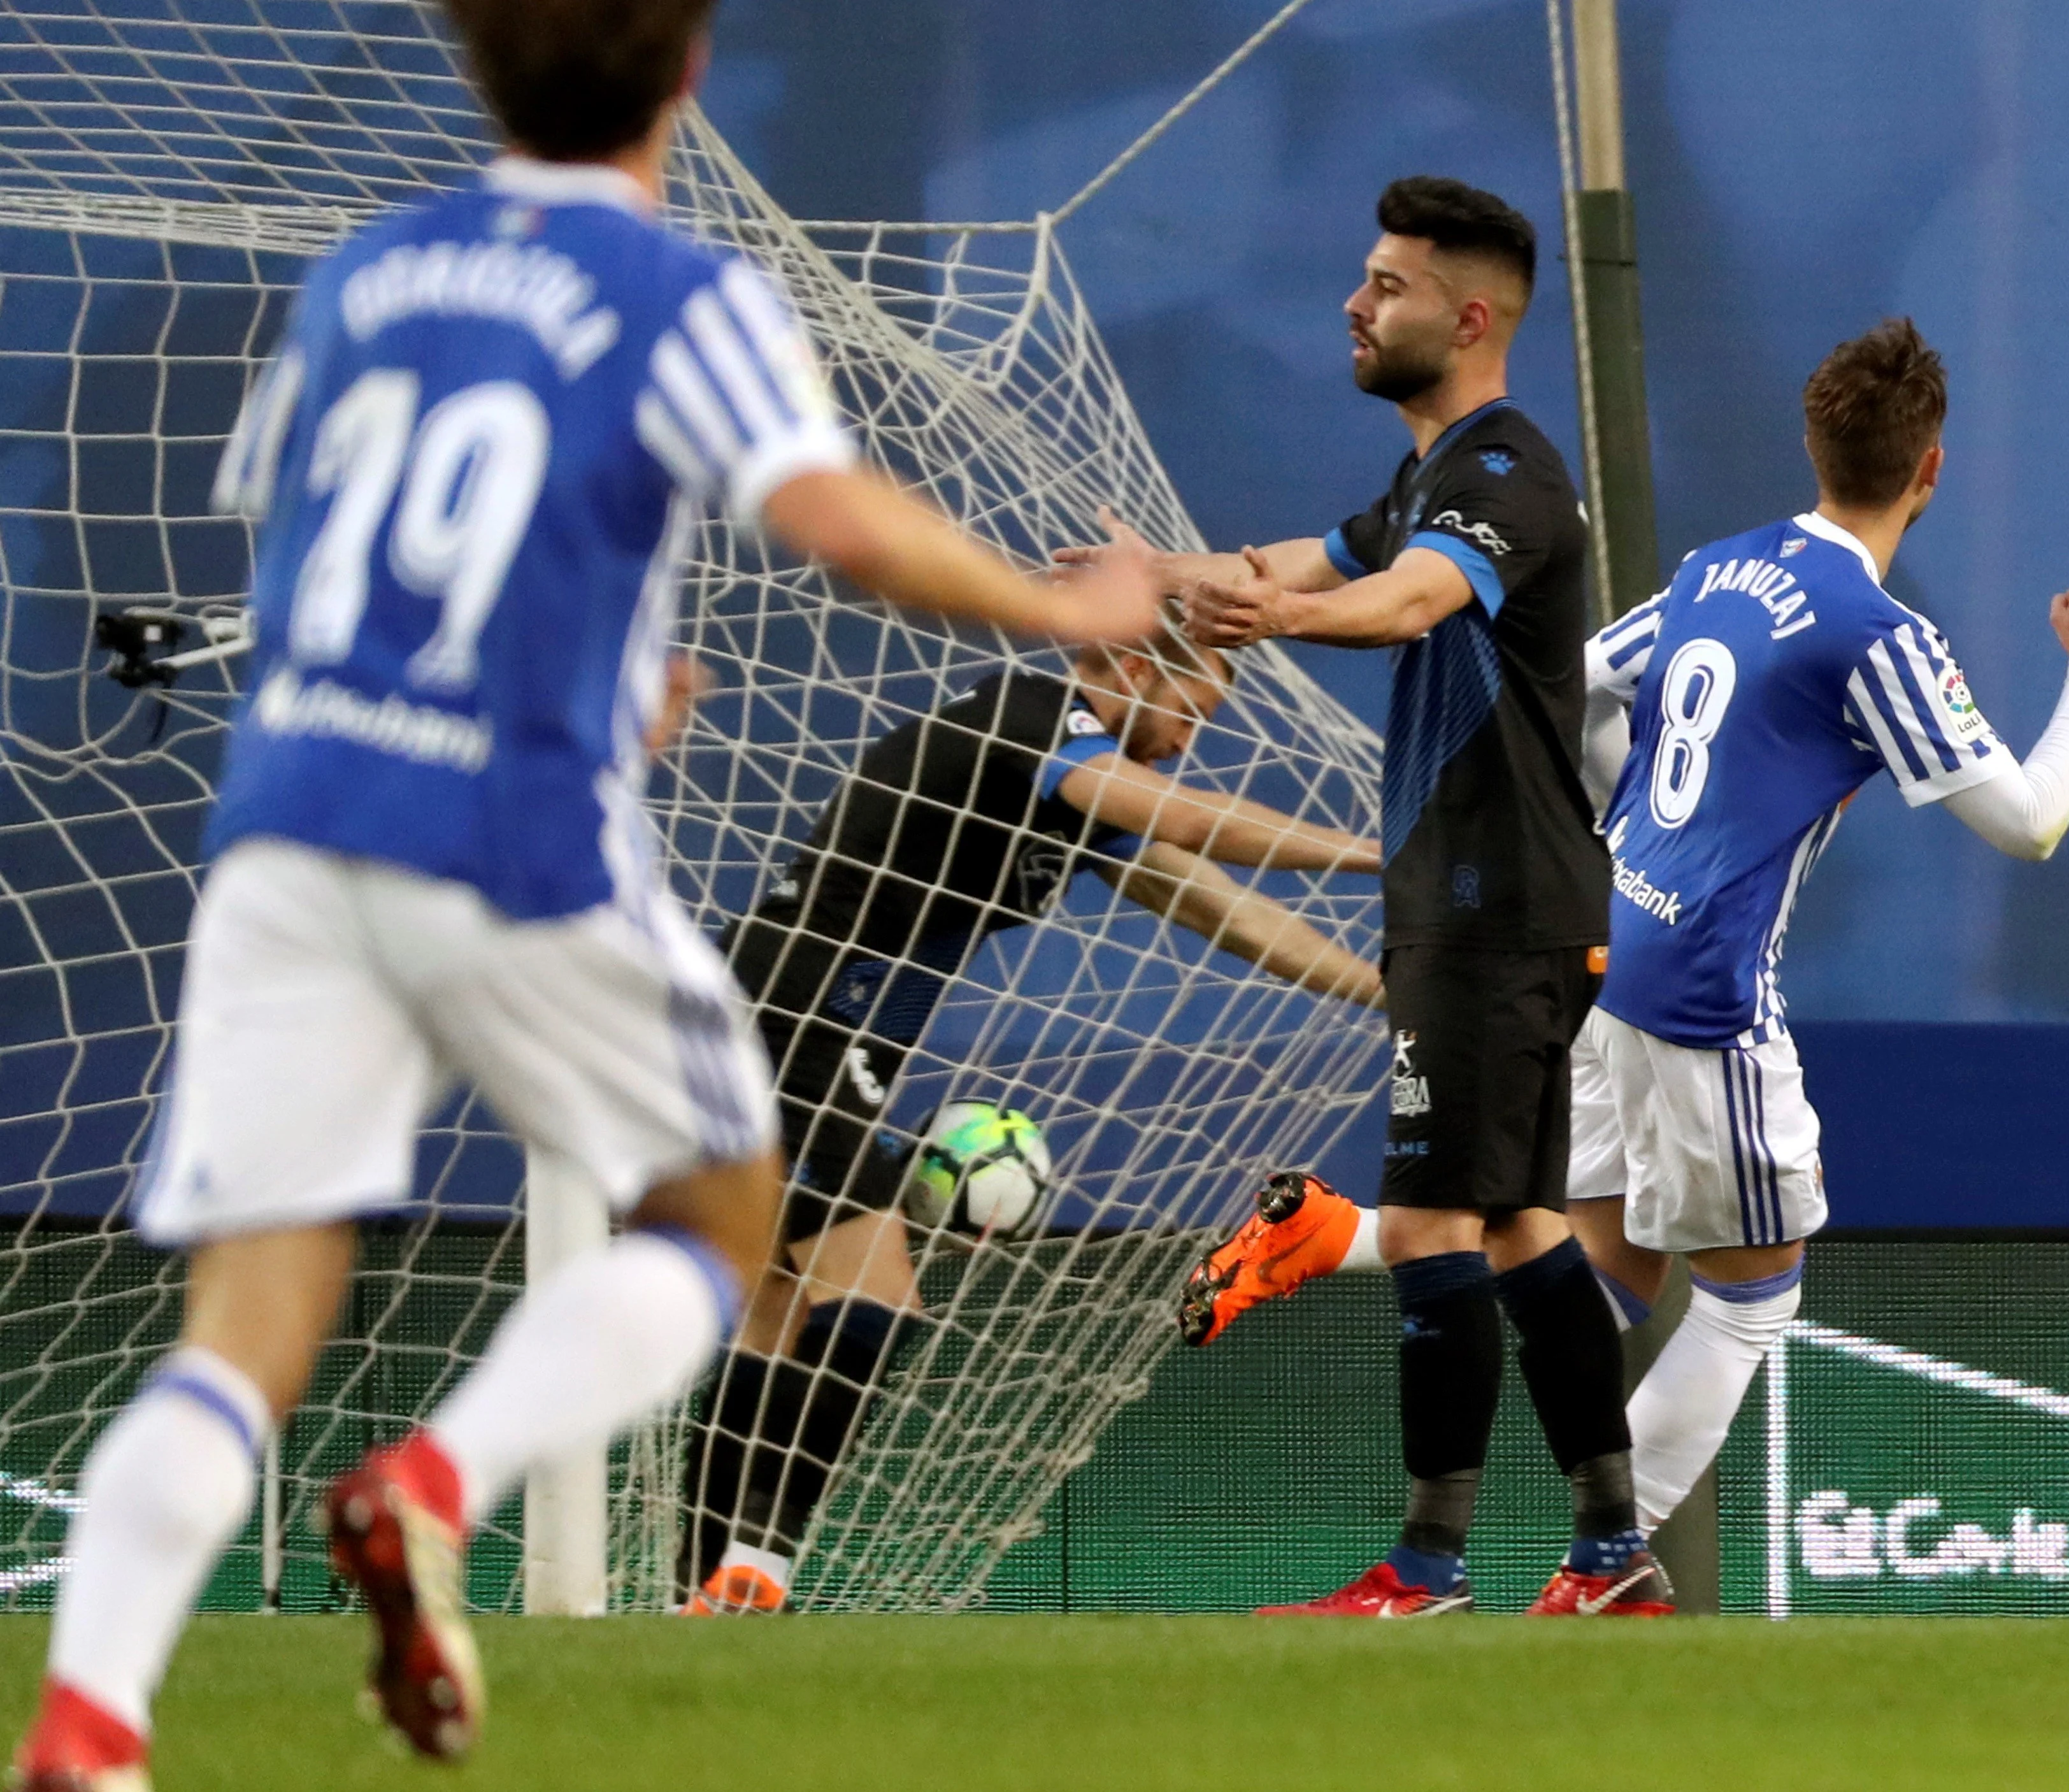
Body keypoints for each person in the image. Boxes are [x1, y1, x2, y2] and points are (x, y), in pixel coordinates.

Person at [6, 0, 1161, 1781]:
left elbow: (352, 554)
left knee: (243, 1325)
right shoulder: (685, 295)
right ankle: (436, 1479)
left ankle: (90, 1718)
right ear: (692, 71)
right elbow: (835, 519)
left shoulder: (367, 278)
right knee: (720, 1220)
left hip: (294, 821)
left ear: (470, 60)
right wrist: (1058, 604)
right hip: (512, 831)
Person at [1180, 321, 2069, 1570]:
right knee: (1750, 1300)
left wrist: (1628, 840)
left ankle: (1333, 1232)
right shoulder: (1875, 629)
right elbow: (2030, 822)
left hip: (1600, 943)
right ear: (1931, 470)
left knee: (1602, 1266)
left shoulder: (1716, 569)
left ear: (1810, 440)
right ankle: (1603, 1569)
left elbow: (1579, 682)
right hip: (1699, 991)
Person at [677, 626, 1384, 1614]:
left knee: (782, 1315)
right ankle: (761, 1566)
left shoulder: (1079, 800)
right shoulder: (1037, 721)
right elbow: (1195, 818)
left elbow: (1228, 911)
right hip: (794, 1018)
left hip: (791, 1027)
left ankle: (698, 1589)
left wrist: (1385, 992)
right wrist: (1378, 853)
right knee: (874, 1300)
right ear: (1135, 671)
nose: (1185, 739)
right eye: (1191, 711)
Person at [1170, 178, 1636, 1617]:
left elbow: (1403, 601)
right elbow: (1298, 564)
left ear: (1470, 314)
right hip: (1498, 899)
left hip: (1494, 901)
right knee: (1517, 1224)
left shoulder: (1503, 477)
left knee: (1436, 1220)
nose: (1354, 304)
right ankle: (1611, 1554)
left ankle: (1426, 1566)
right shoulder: (1433, 476)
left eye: (1386, 284)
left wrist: (1282, 618)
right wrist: (1143, 582)